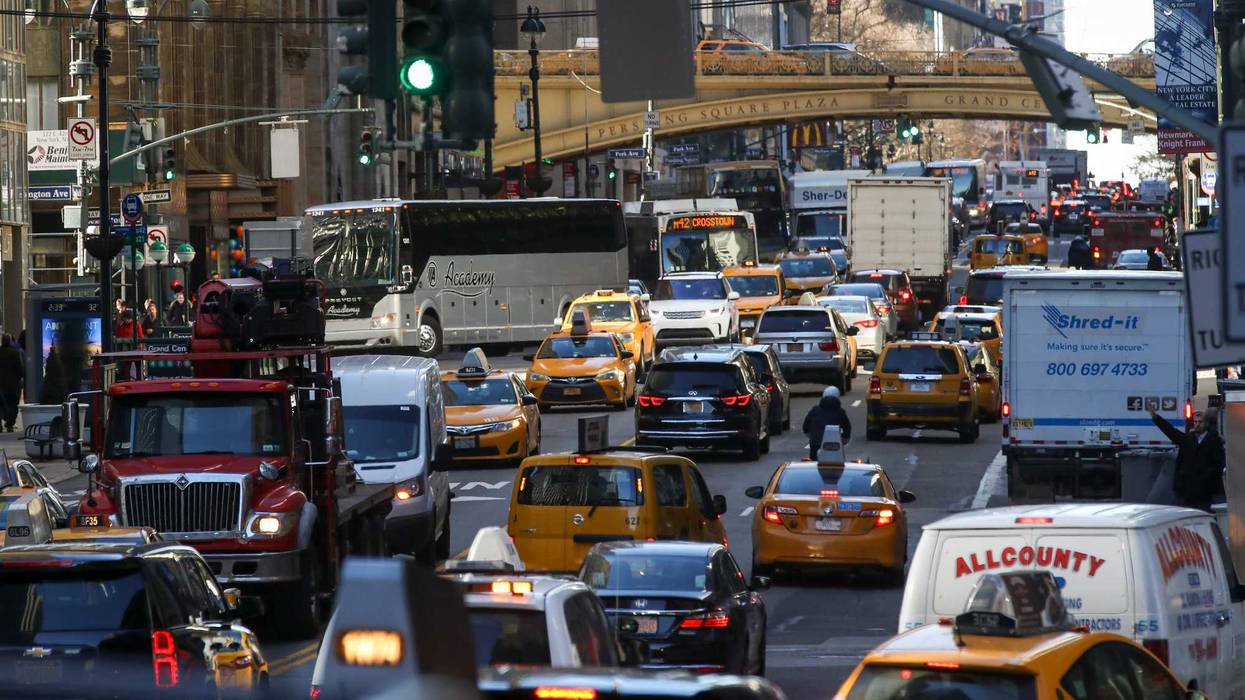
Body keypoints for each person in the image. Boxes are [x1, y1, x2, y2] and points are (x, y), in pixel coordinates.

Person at [1150, 408, 1225, 512]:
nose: (1197, 424)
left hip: (1205, 492)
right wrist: (1156, 418)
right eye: (1195, 422)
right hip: (1187, 492)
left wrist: (1205, 479)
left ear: (1206, 423)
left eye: (1200, 422)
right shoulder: (1188, 439)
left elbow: (1218, 465)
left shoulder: (1214, 441)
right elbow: (1171, 432)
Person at [802, 386, 851, 461]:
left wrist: (813, 436)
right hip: (834, 446)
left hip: (815, 445)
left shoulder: (815, 410)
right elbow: (847, 428)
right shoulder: (840, 412)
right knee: (838, 463)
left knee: (814, 463)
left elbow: (805, 427)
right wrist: (843, 439)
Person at [0, 336, 21, 432]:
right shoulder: (15, 353)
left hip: (1, 385)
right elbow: (20, 369)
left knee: (0, 404)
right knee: (13, 404)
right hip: (13, 385)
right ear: (10, 342)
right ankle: (10, 424)